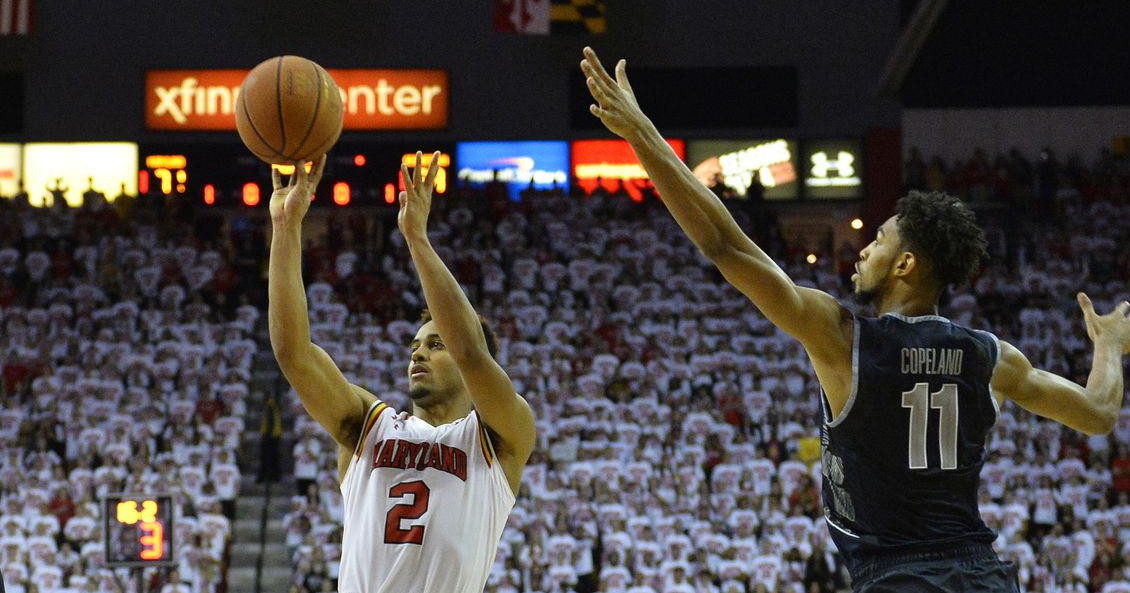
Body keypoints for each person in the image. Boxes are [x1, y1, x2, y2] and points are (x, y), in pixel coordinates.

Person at [580, 46, 1130, 592]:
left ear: (907, 264)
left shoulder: (845, 338)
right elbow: (1100, 412)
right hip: (983, 577)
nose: (863, 249)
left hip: (898, 578)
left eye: (879, 240)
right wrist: (1107, 345)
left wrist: (642, 136)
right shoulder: (991, 357)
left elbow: (724, 244)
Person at [268, 153, 535, 593]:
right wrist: (285, 226)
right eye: (414, 346)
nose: (418, 355)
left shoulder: (500, 436)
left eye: (434, 344)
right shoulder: (369, 426)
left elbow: (470, 352)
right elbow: (292, 353)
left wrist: (417, 239)